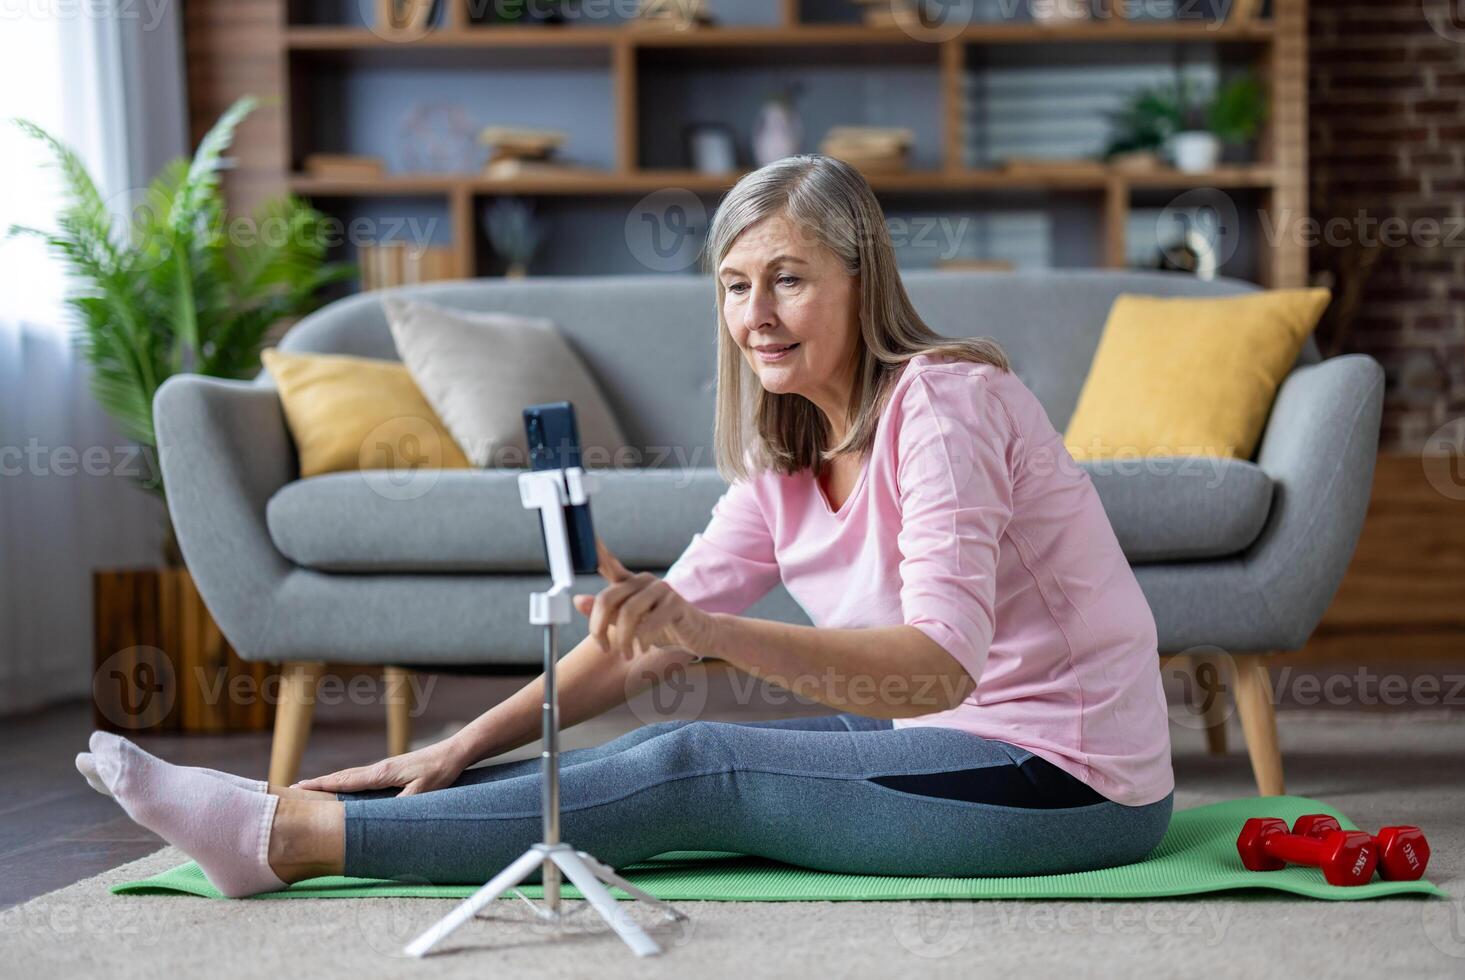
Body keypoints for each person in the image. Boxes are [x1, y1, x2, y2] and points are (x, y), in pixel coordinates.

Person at [78, 154, 1173, 898]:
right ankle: (331, 805)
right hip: (953, 745)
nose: (757, 315)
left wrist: (712, 630)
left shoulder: (944, 404)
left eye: (789, 279)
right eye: (738, 286)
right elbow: (641, 638)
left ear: (861, 276)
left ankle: (292, 841)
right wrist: (464, 741)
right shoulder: (787, 453)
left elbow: (937, 668)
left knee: (700, 761)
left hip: (1067, 780)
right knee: (647, 746)